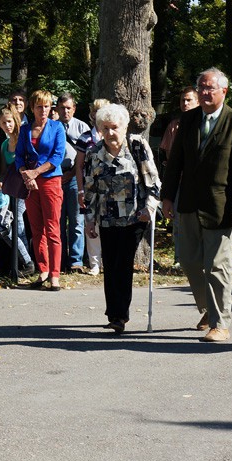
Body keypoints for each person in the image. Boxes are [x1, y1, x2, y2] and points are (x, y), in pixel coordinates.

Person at [162, 67, 232, 342]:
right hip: (188, 203)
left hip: (221, 206)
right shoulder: (188, 120)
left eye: (209, 88)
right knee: (189, 261)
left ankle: (220, 323)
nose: (203, 93)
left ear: (223, 91)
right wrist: (168, 197)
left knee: (217, 266)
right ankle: (208, 308)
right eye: (200, 87)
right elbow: (175, 162)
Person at [83, 103, 161, 333]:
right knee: (111, 264)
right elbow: (90, 189)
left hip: (134, 217)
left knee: (123, 264)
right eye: (104, 128)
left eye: (114, 127)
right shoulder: (94, 153)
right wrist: (90, 219)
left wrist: (150, 208)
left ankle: (121, 315)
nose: (109, 133)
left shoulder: (137, 146)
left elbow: (153, 180)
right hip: (107, 218)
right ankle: (114, 314)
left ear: (125, 126)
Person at [15, 89, 66, 291]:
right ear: (32, 108)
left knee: (53, 229)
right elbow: (19, 156)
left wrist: (35, 173)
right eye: (39, 106)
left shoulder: (57, 127)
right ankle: (43, 270)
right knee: (36, 230)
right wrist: (26, 175)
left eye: (47, 106)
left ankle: (55, 275)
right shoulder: (25, 129)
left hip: (50, 182)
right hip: (30, 183)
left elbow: (57, 156)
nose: (43, 110)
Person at [0, 104, 34, 274]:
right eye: (4, 123)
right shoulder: (5, 144)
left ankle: (26, 263)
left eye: (10, 122)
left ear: (16, 121)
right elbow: (4, 170)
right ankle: (24, 262)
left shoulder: (23, 139)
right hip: (10, 189)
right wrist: (0, 182)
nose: (8, 125)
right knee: (8, 226)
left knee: (18, 223)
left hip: (24, 187)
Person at [74, 98, 109, 275]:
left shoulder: (114, 135)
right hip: (90, 188)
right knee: (91, 224)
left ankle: (109, 261)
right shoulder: (85, 137)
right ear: (92, 114)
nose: (99, 115)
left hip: (111, 188)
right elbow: (78, 166)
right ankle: (94, 263)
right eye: (96, 112)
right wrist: (81, 190)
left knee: (110, 224)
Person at [55, 93, 90, 273]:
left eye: (69, 108)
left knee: (77, 221)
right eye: (62, 108)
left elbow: (85, 155)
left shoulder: (82, 127)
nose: (65, 111)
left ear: (74, 109)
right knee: (58, 222)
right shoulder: (52, 127)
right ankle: (59, 260)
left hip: (75, 179)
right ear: (57, 109)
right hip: (55, 179)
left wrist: (71, 174)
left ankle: (76, 261)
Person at [159, 87, 199, 165]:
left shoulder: (204, 123)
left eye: (189, 100)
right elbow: (168, 153)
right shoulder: (173, 125)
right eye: (183, 100)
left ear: (198, 102)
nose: (185, 103)